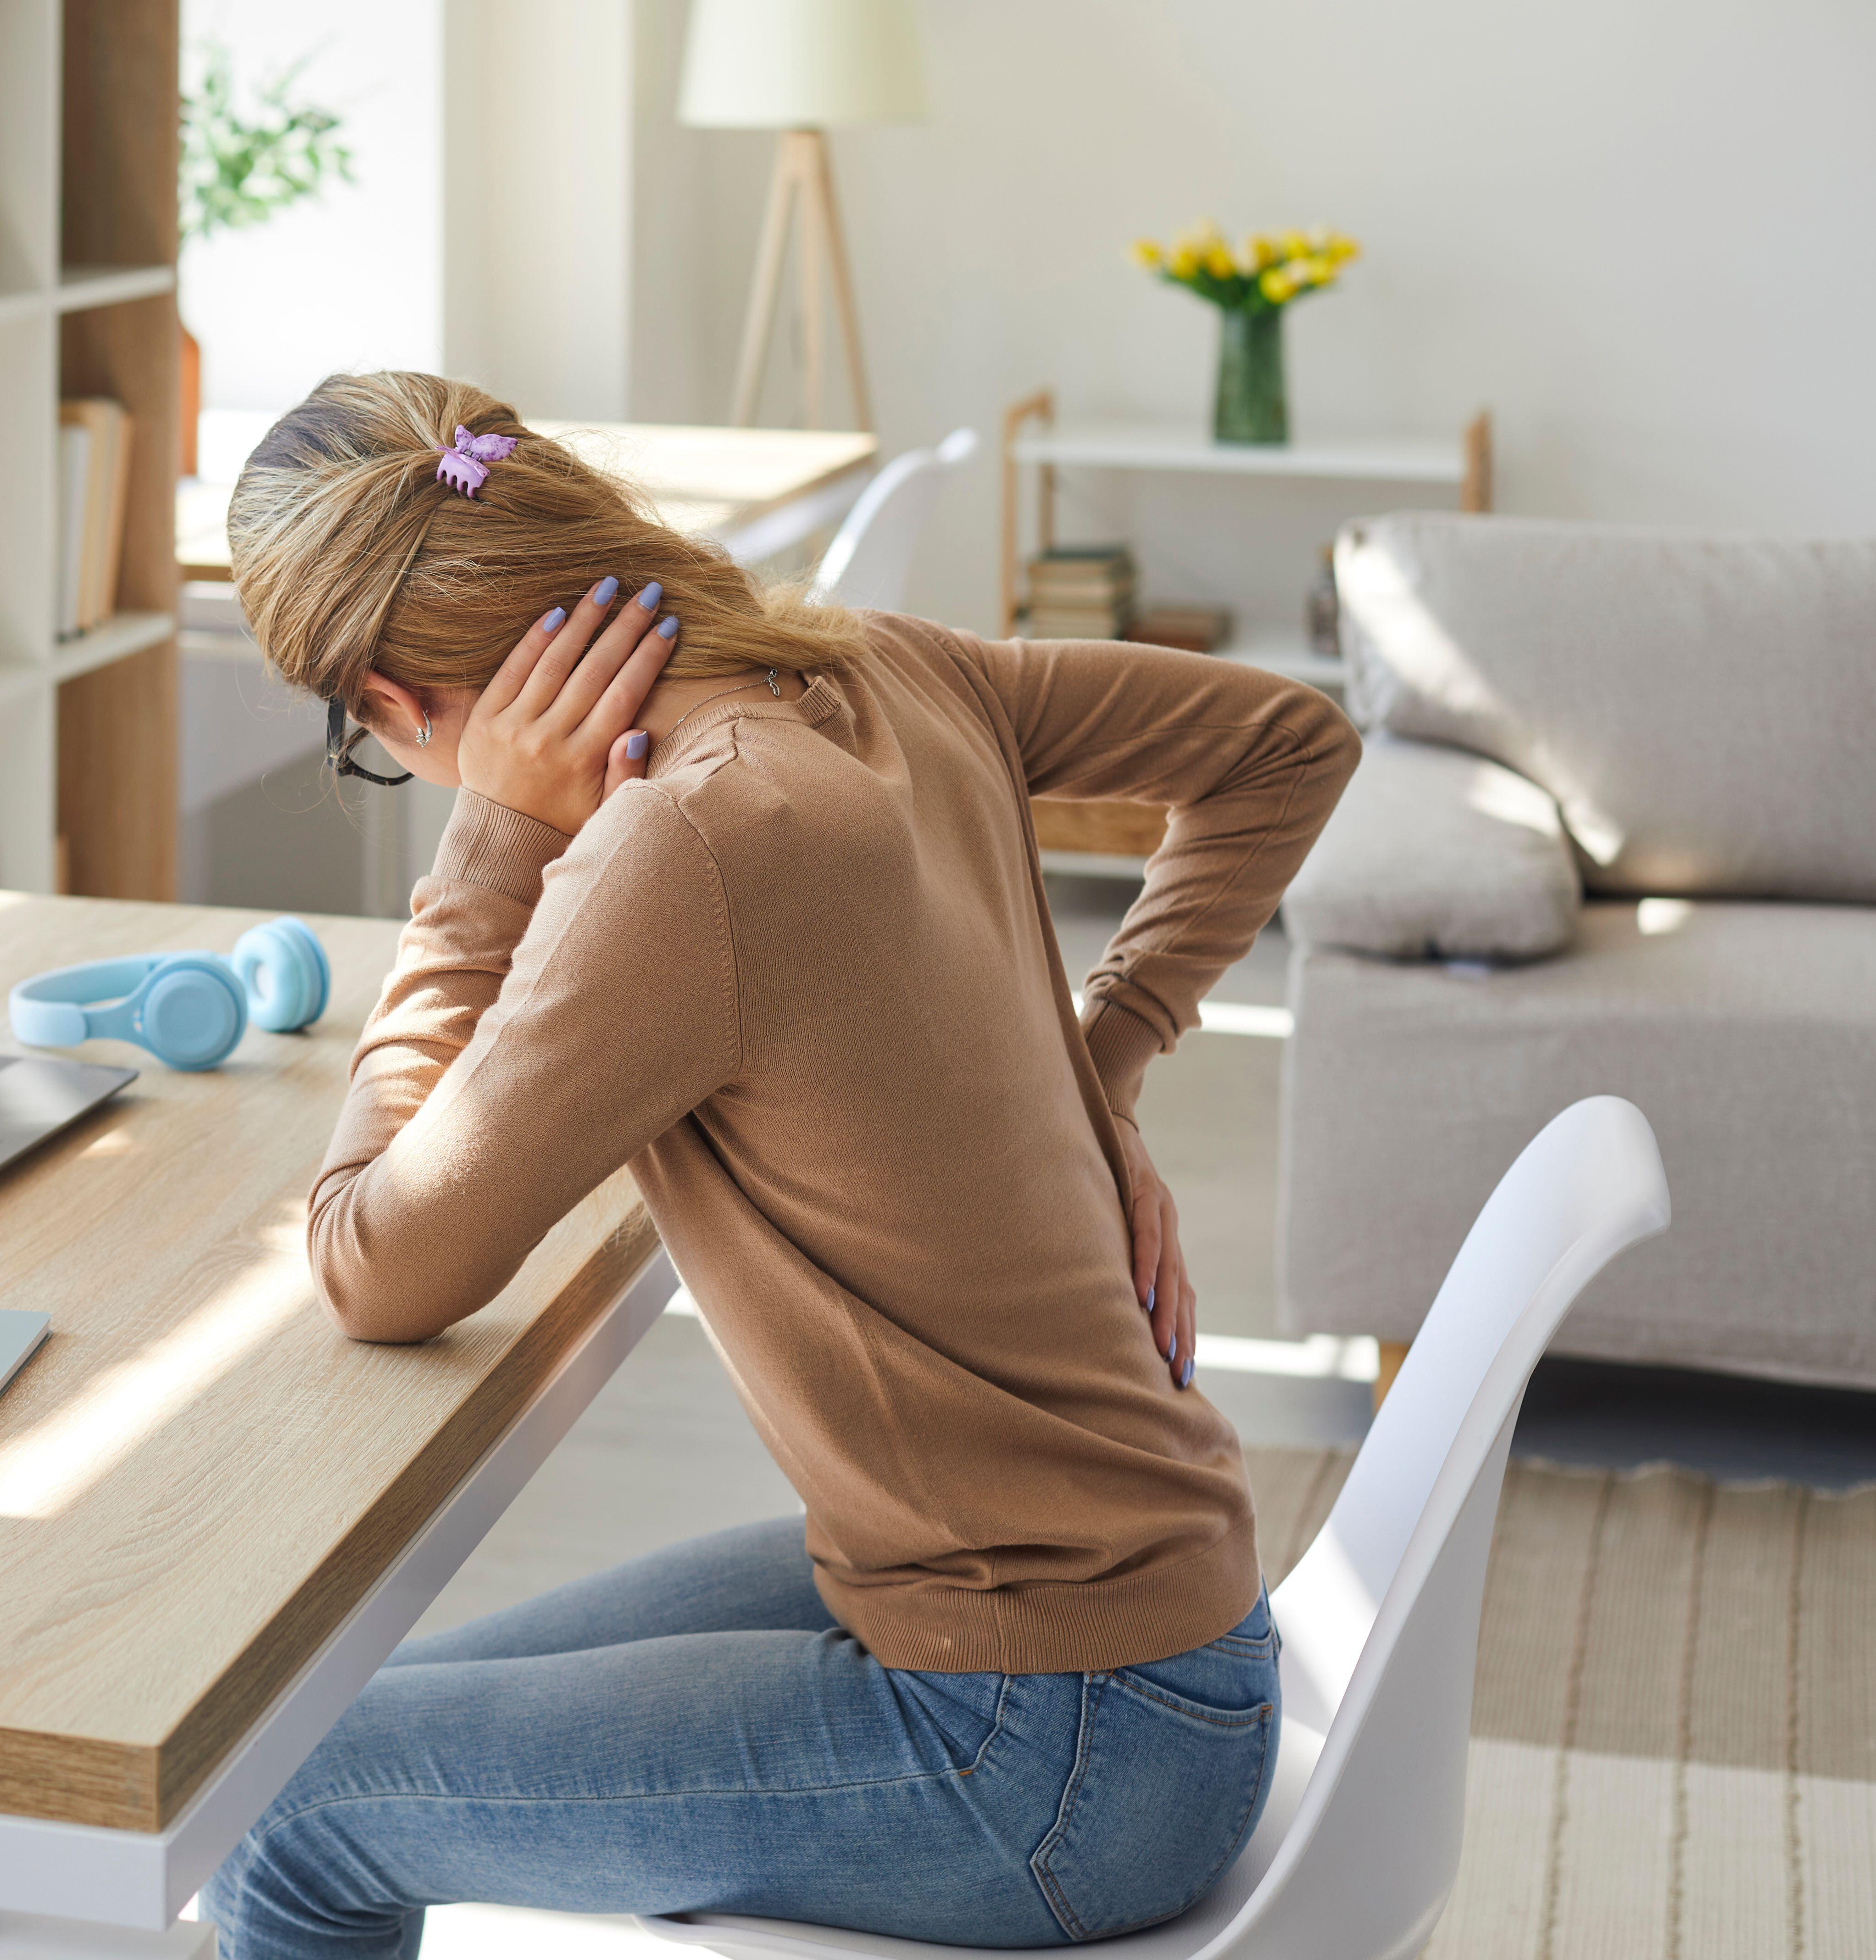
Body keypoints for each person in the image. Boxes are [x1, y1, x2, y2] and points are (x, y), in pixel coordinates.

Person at [204, 372, 1358, 1956]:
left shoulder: (679, 844)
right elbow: (1284, 740)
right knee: (359, 1724)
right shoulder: (885, 667)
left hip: (1050, 1744)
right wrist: (1105, 1064)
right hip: (1123, 1623)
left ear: (394, 700)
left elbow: (368, 1265)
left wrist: (486, 846)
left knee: (288, 1804)